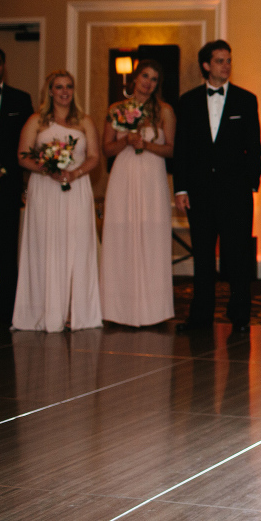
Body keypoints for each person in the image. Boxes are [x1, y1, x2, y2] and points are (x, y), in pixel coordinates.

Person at [172, 40, 261, 334]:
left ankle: (240, 317)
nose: (226, 65)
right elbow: (181, 150)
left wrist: (251, 182)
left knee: (237, 258)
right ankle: (200, 317)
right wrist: (181, 189)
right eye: (220, 60)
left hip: (235, 193)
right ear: (206, 66)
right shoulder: (188, 101)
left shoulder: (246, 100)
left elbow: (253, 147)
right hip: (199, 194)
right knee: (203, 258)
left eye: (229, 60)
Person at [12, 70, 102, 332]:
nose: (65, 91)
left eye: (69, 87)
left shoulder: (84, 121)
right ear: (49, 91)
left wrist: (74, 173)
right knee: (46, 246)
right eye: (59, 87)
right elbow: (21, 156)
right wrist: (46, 170)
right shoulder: (35, 122)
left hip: (76, 187)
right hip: (45, 189)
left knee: (77, 245)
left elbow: (94, 156)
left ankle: (77, 312)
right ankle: (45, 310)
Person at [100, 59, 176, 327]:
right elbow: (106, 149)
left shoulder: (164, 111)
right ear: (135, 78)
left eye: (154, 79)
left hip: (152, 177)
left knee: (152, 237)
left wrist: (146, 144)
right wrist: (125, 141)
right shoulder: (116, 109)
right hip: (123, 176)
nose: (149, 83)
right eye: (145, 76)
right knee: (122, 236)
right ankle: (119, 310)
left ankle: (154, 310)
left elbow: (171, 149)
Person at [0, 46, 34, 327]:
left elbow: (29, 145)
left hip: (6, 187)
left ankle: (7, 312)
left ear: (4, 65)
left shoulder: (20, 100)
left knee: (7, 252)